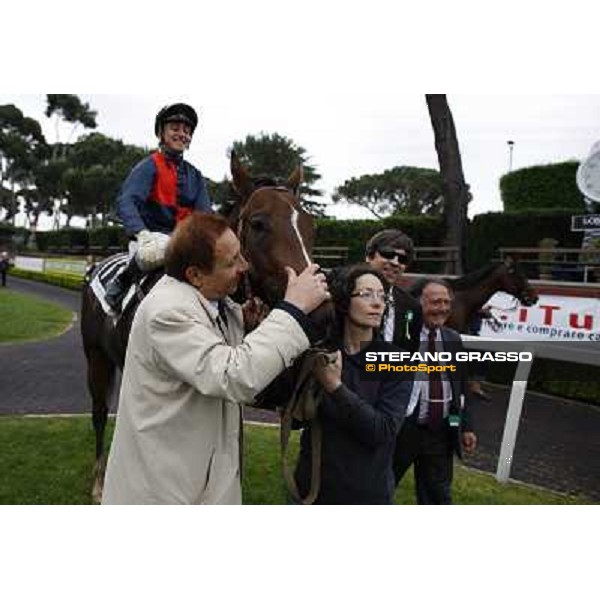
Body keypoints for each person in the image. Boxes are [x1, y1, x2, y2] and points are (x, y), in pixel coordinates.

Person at [102, 213, 330, 504]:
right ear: (195, 275)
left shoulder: (215, 303)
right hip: (163, 491)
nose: (244, 267)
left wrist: (246, 326)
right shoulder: (168, 311)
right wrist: (293, 310)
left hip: (197, 478)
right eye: (232, 261)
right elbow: (234, 376)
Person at [293, 263, 412, 504]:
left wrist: (334, 387)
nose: (377, 303)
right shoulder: (319, 354)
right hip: (310, 490)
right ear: (344, 301)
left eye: (382, 296)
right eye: (366, 294)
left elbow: (382, 432)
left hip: (365, 495)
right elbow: (295, 420)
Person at [105, 102, 212, 312]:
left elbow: (205, 214)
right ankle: (122, 281)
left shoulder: (196, 176)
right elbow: (127, 201)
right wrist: (141, 233)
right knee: (156, 251)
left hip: (184, 242)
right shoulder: (148, 166)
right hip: (150, 239)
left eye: (187, 131)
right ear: (161, 133)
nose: (182, 134)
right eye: (175, 128)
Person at [392, 278, 477, 504]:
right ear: (418, 304)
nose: (442, 308)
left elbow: (460, 387)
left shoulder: (453, 339)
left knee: (438, 496)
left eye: (446, 302)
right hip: (403, 430)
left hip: (441, 432)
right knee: (380, 489)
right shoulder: (401, 338)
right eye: (435, 302)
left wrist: (465, 426)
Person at [365, 229, 422, 351]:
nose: (395, 262)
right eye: (388, 254)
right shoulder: (346, 294)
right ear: (369, 256)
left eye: (403, 259)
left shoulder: (411, 307)